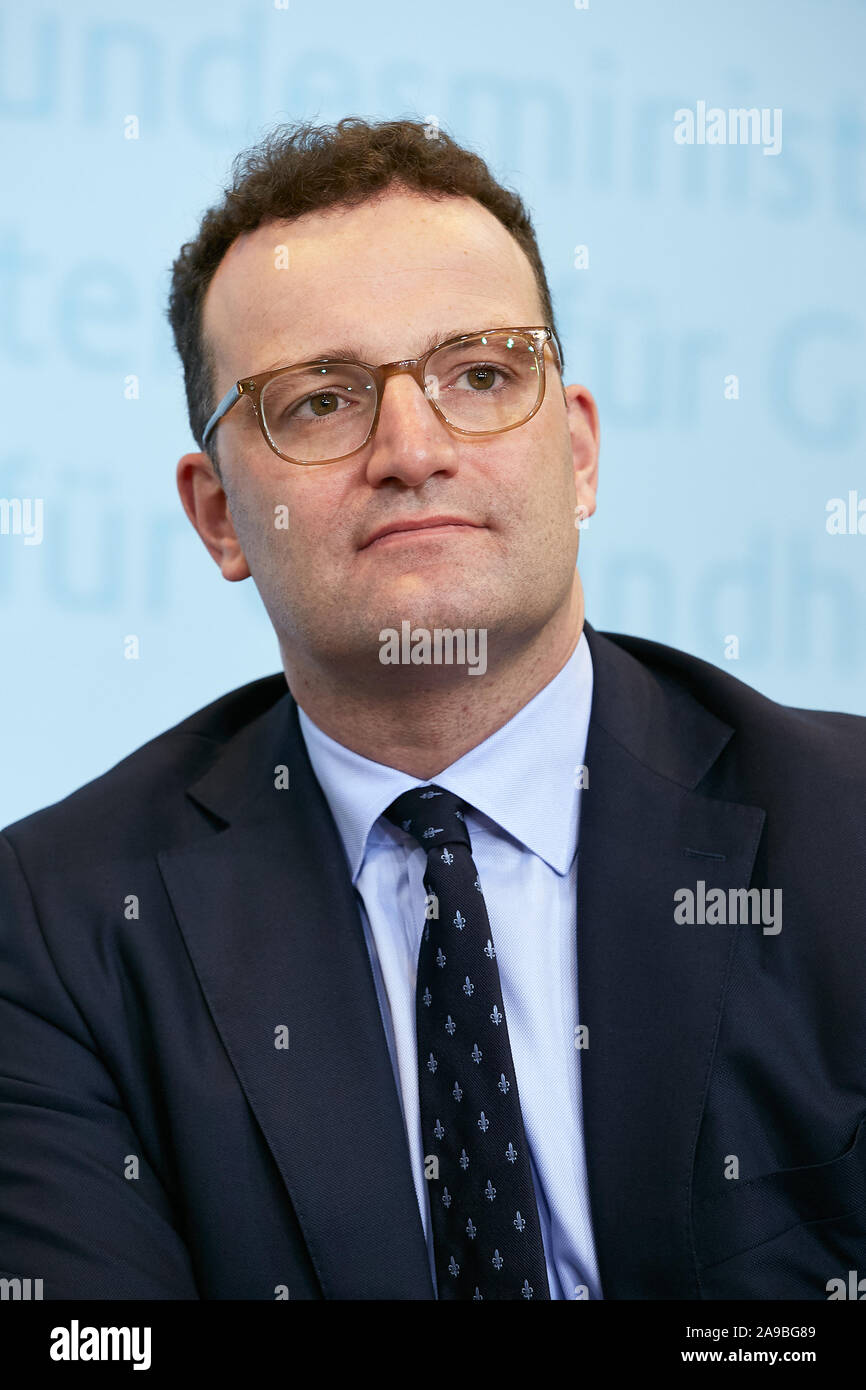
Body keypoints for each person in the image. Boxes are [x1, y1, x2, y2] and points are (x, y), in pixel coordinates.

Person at [1, 118, 864, 1302]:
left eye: (481, 374)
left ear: (578, 454)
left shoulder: (845, 832)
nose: (411, 450)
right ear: (218, 518)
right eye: (319, 400)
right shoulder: (55, 930)